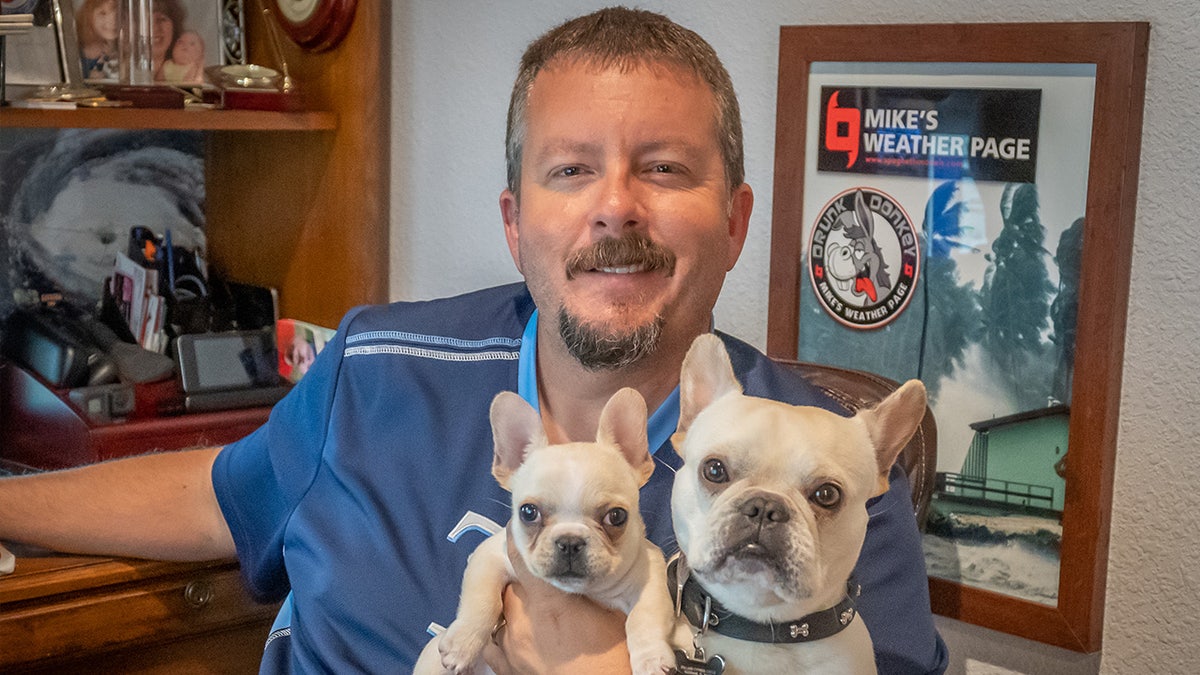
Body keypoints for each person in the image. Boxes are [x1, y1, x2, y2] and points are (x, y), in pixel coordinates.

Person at [0, 7, 949, 673]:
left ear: (735, 221)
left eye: (663, 168)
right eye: (571, 170)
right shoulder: (375, 367)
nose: (616, 205)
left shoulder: (836, 479)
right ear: (514, 220)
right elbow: (217, 497)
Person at [75, 0, 119, 81]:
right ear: (88, 16)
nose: (112, 20)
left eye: (118, 13)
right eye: (103, 13)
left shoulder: (128, 53)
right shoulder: (75, 50)